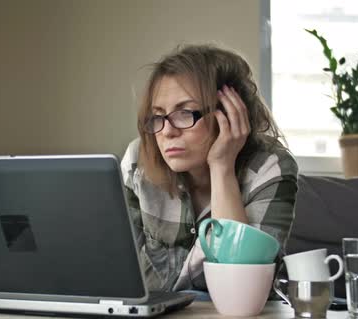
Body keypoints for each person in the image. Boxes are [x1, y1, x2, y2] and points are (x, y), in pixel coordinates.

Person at [120, 44, 298, 292]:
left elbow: (240, 288)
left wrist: (222, 167)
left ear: (228, 113)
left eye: (184, 113)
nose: (168, 131)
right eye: (158, 115)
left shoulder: (270, 170)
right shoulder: (138, 161)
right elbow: (114, 268)